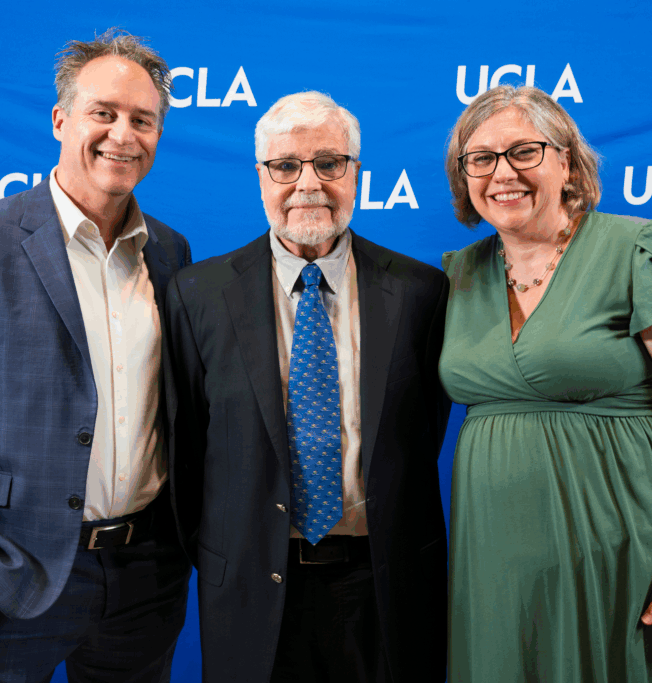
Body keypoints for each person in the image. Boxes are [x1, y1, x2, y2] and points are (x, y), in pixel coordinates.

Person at [0, 29, 192, 683]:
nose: (123, 134)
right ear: (61, 119)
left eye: (143, 120)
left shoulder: (170, 253)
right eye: (103, 113)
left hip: (146, 577)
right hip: (8, 573)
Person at [439, 84, 652, 682]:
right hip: (500, 570)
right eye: (481, 159)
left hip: (635, 557)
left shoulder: (637, 247)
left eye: (524, 151)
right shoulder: (458, 274)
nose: (502, 173)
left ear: (566, 161)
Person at [165, 91, 451, 683]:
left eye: (329, 163)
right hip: (250, 582)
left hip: (384, 580)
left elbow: (421, 429)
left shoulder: (422, 292)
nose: (309, 183)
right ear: (261, 176)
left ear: (357, 172)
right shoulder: (198, 294)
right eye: (286, 165)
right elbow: (186, 450)